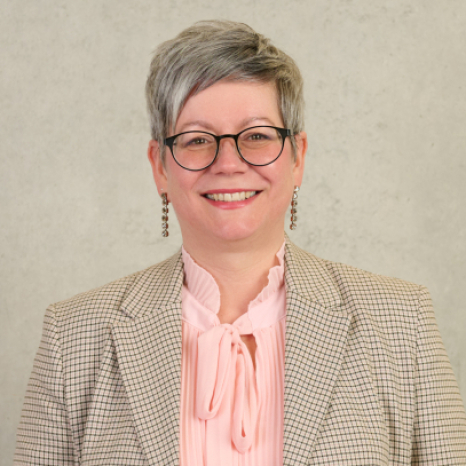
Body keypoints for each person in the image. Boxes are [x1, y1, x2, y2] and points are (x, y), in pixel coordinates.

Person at [15, 20, 466, 466]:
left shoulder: (402, 324)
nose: (228, 162)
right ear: (160, 167)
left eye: (256, 136)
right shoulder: (73, 337)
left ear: (297, 157)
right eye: (196, 140)